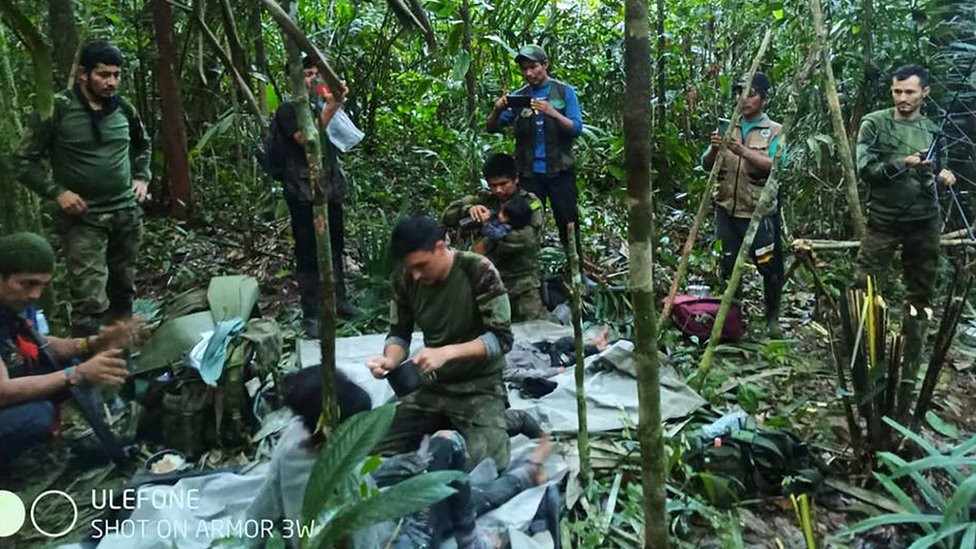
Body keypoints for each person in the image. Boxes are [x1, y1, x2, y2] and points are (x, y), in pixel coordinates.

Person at [247, 365, 552, 549]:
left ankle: (524, 474)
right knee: (449, 479)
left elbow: (260, 512)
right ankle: (519, 484)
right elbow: (365, 536)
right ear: (339, 431)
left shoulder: (294, 440)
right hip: (396, 541)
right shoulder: (334, 474)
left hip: (377, 519)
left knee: (443, 469)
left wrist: (410, 466)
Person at [15, 41, 151, 337]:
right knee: (89, 300)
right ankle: (87, 371)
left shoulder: (124, 109)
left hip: (125, 213)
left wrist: (142, 176)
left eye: (116, 74)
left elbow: (143, 144)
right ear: (82, 74)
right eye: (103, 74)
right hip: (84, 218)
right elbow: (23, 161)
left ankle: (122, 358)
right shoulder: (57, 109)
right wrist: (57, 192)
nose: (111, 81)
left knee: (124, 288)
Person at [366, 214, 513, 470]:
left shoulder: (477, 270)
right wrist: (390, 359)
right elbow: (399, 333)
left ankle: (510, 420)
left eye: (421, 265)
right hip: (432, 386)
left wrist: (447, 353)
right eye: (410, 267)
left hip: (479, 386)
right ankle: (444, 424)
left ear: (440, 247)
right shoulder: (405, 279)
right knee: (367, 444)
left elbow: (501, 339)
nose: (416, 275)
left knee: (489, 465)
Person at [0, 233, 144, 464]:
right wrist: (77, 374)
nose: (35, 294)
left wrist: (93, 342)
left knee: (69, 367)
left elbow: (42, 345)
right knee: (37, 415)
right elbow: (3, 392)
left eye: (42, 285)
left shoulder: (12, 303)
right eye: (27, 284)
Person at [854, 64, 956, 310]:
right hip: (884, 218)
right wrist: (903, 163)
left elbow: (938, 172)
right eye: (897, 91)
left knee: (921, 293)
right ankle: (857, 344)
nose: (902, 98)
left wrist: (943, 176)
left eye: (909, 92)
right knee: (863, 286)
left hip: (924, 219)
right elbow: (865, 170)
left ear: (925, 92)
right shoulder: (875, 123)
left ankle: (912, 346)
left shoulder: (933, 131)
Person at [274, 56, 361, 334]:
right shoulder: (289, 110)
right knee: (308, 252)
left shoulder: (321, 104)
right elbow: (307, 138)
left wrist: (334, 98)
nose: (312, 79)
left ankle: (340, 300)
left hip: (330, 188)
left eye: (315, 73)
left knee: (335, 246)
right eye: (307, 74)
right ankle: (311, 313)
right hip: (303, 192)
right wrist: (333, 105)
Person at [486, 45, 586, 278]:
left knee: (568, 223)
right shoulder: (520, 97)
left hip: (560, 173)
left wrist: (552, 112)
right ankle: (527, 273)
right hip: (530, 176)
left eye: (533, 67)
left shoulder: (563, 92)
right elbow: (492, 127)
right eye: (524, 69)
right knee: (524, 223)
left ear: (545, 65)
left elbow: (576, 128)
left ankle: (577, 273)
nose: (529, 73)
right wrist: (497, 109)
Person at [701, 71, 786, 333]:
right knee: (728, 266)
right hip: (727, 209)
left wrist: (742, 151)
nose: (743, 99)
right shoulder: (729, 126)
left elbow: (776, 166)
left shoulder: (775, 131)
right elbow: (706, 165)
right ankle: (733, 321)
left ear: (764, 99)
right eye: (740, 93)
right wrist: (716, 148)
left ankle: (772, 319)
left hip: (758, 213)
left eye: (750, 94)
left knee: (769, 268)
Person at [443, 153, 546, 321]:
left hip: (522, 283)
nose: (498, 190)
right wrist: (468, 209)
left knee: (537, 332)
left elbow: (526, 239)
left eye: (504, 184)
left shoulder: (530, 203)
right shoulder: (484, 199)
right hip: (487, 282)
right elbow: (448, 216)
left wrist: (489, 229)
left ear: (516, 179)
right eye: (493, 185)